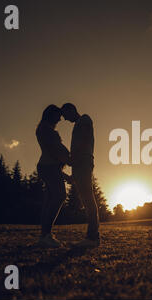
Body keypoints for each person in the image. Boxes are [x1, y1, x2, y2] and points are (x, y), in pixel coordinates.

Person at [61, 103, 100, 248]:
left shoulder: (84, 119)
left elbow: (83, 141)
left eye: (65, 115)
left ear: (71, 110)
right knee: (85, 198)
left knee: (88, 198)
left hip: (83, 161)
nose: (65, 119)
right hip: (79, 163)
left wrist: (72, 159)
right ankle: (92, 237)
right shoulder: (78, 123)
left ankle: (92, 237)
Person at [35, 105, 71, 248]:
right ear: (51, 115)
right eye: (58, 116)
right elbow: (55, 150)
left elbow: (55, 151)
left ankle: (45, 235)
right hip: (49, 167)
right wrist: (70, 160)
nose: (60, 119)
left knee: (50, 200)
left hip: (50, 168)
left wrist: (64, 174)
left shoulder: (45, 129)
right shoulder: (46, 130)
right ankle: (46, 235)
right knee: (59, 196)